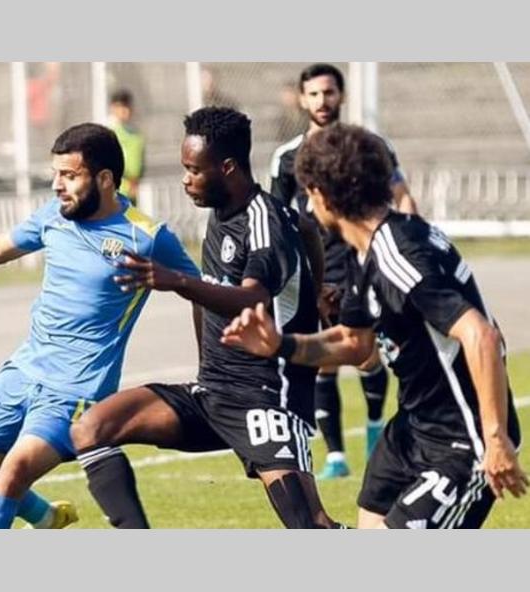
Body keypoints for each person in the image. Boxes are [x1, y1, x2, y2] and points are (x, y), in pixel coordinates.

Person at [0, 123, 200, 529]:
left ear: (104, 179)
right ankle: (46, 518)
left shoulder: (147, 237)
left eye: (69, 175)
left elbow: (201, 291)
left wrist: (217, 366)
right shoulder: (54, 215)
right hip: (23, 372)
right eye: (55, 174)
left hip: (76, 391)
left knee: (10, 474)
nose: (56, 185)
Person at [223, 123, 527, 528]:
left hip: (462, 443)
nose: (307, 205)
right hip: (412, 429)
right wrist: (280, 344)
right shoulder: (365, 251)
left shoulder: (398, 256)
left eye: (308, 193)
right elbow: (354, 343)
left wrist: (495, 439)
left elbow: (482, 335)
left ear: (324, 195)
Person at [71, 107, 342, 529]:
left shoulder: (264, 222)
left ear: (227, 167)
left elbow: (252, 300)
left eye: (194, 170)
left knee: (310, 526)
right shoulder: (221, 211)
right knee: (92, 427)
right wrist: (315, 291)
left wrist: (178, 281)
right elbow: (306, 229)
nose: (186, 179)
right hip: (212, 392)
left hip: (266, 398)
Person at [269, 63, 418, 480]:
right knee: (325, 360)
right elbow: (278, 220)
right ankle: (335, 455)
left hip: (365, 267)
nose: (322, 101)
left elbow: (402, 196)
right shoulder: (286, 158)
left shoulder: (369, 147)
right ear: (302, 99)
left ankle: (374, 429)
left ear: (342, 96)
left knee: (367, 356)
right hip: (317, 273)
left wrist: (408, 244)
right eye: (314, 94)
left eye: (329, 92)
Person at [108, 89, 146, 205]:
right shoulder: (109, 134)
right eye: (120, 107)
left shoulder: (137, 136)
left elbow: (140, 164)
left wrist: (136, 181)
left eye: (127, 106)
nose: (125, 111)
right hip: (115, 193)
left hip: (132, 192)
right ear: (113, 108)